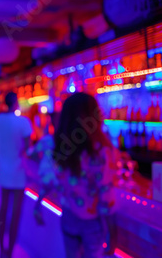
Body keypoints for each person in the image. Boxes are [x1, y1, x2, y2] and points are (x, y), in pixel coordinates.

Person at [52, 92, 120, 258]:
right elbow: (106, 195)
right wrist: (113, 232)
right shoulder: (101, 150)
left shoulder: (59, 147)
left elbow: (57, 181)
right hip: (92, 221)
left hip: (68, 216)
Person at [0, 92, 32, 258]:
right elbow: (27, 149)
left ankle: (1, 250)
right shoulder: (23, 122)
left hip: (4, 170)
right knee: (15, 214)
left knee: (3, 209)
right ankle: (10, 251)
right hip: (19, 171)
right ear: (16, 103)